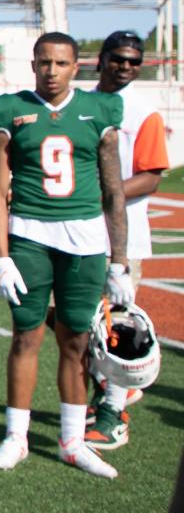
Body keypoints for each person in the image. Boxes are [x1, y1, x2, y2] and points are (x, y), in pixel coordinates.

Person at [0, 31, 134, 479]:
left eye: (61, 63)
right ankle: (16, 436)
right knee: (26, 335)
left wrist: (120, 259)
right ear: (33, 65)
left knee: (77, 340)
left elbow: (113, 190)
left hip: (85, 240)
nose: (52, 71)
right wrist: (0, 255)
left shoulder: (100, 110)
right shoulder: (7, 109)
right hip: (29, 234)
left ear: (77, 66)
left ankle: (71, 441)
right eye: (44, 62)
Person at [84, 30, 169, 450]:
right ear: (100, 59)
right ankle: (108, 390)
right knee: (70, 321)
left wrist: (101, 193)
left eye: (134, 61)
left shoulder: (142, 112)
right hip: (75, 233)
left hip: (122, 238)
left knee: (118, 330)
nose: (126, 66)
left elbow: (152, 176)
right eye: (118, 57)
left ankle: (112, 414)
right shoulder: (79, 103)